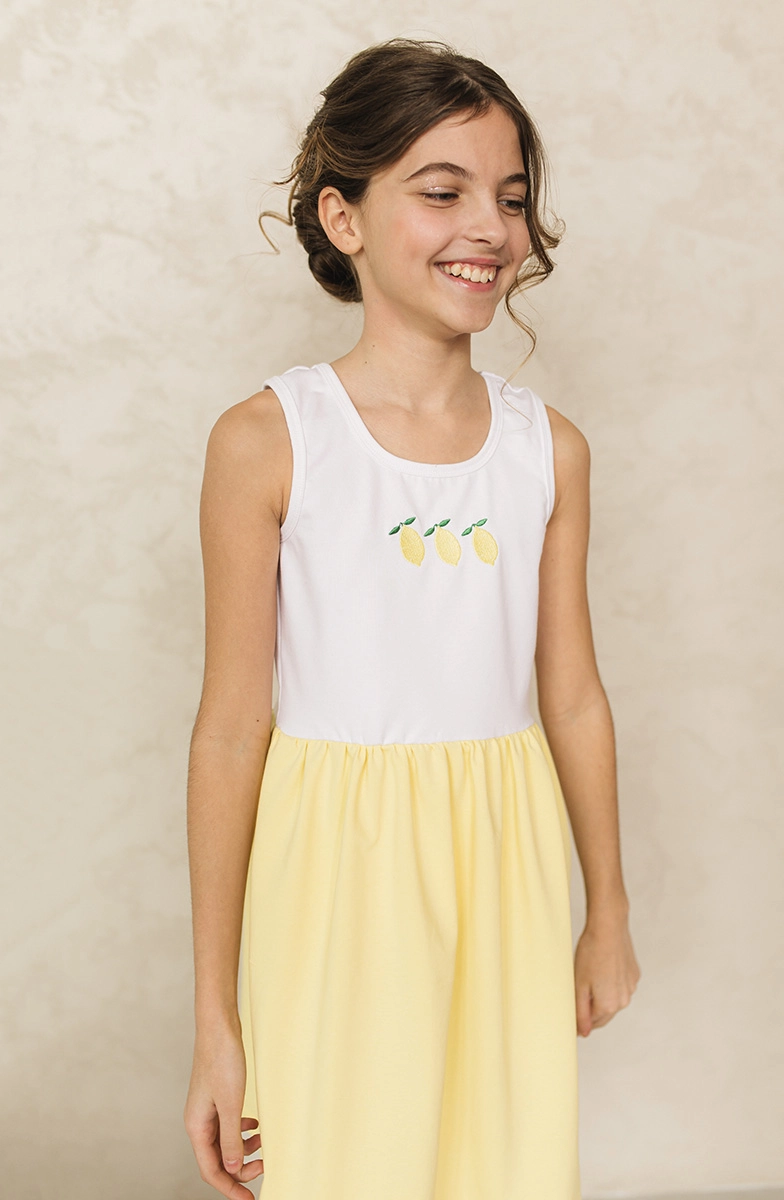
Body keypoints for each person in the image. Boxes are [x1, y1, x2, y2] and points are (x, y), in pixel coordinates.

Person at [183, 35, 640, 1200]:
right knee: (350, 1164)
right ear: (343, 217)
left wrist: (607, 909)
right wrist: (216, 1020)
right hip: (334, 870)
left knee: (502, 1166)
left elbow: (574, 696)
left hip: (506, 857)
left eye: (512, 198)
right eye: (442, 192)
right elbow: (230, 731)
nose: (488, 227)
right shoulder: (268, 441)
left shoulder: (550, 451)